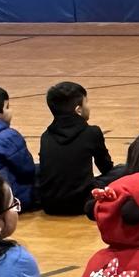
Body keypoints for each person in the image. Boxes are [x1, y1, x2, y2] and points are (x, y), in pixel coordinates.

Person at [36, 80, 116, 218]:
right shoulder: (91, 132)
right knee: (123, 170)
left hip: (50, 205)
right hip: (82, 203)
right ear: (78, 110)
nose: (89, 107)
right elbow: (106, 167)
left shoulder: (46, 136)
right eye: (86, 103)